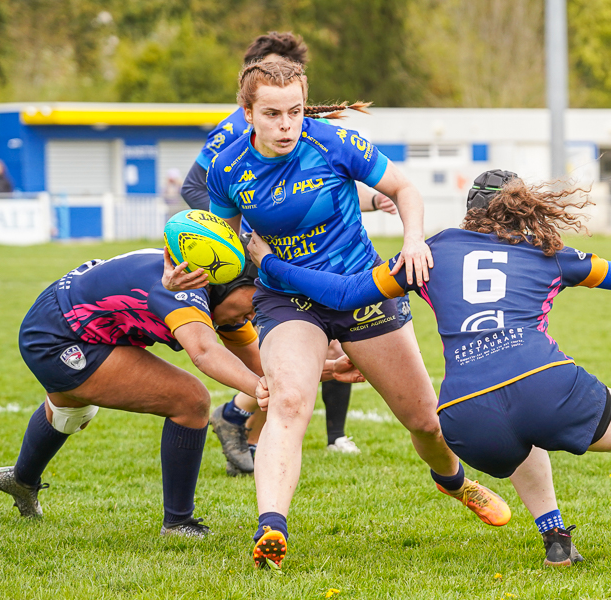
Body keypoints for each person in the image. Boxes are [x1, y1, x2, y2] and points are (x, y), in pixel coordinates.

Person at [248, 168, 611, 566]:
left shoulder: (431, 252)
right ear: (526, 207)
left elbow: (342, 293)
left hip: (464, 415)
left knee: (518, 435)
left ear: (471, 214)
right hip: (544, 382)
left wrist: (268, 264)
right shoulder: (547, 252)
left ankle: (556, 538)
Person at [186, 57, 512, 569]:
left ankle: (454, 482)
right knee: (289, 402)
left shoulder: (333, 142)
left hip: (363, 291)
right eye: (272, 114)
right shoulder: (226, 169)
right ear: (246, 111)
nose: (286, 125)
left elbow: (403, 188)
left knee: (425, 420)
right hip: (286, 300)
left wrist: (412, 241)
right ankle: (271, 526)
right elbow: (226, 241)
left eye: (294, 111)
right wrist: (190, 272)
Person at [0, 247, 362, 538]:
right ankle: (178, 522)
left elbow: (264, 367)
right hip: (58, 336)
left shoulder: (223, 303)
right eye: (251, 307)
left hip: (74, 327)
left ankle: (20, 481)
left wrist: (327, 370)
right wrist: (259, 390)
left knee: (71, 410)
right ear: (230, 285)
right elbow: (203, 352)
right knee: (191, 400)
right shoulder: (183, 286)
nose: (249, 319)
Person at [179, 31, 396, 464]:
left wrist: (374, 200)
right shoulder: (231, 134)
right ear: (251, 85)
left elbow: (317, 190)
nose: (285, 116)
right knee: (310, 346)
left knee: (332, 341)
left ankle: (297, 431)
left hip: (308, 251)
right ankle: (245, 419)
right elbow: (194, 186)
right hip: (262, 254)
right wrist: (235, 234)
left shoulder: (307, 130)